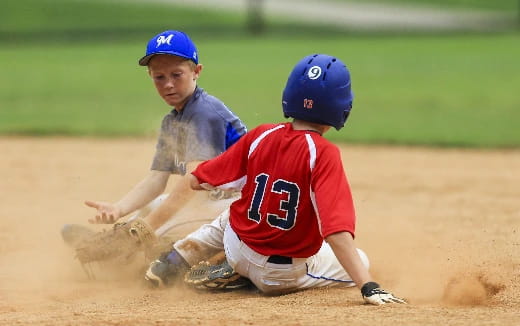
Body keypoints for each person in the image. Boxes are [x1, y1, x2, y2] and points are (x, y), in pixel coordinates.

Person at [144, 54, 406, 305]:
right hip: (278, 276)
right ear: (341, 106)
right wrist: (368, 285)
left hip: (237, 249)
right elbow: (336, 233)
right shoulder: (324, 154)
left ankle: (175, 259)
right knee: (361, 260)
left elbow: (197, 181)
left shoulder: (262, 135)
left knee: (230, 216)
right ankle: (245, 279)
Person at [62, 30, 247, 267]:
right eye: (159, 77)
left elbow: (193, 180)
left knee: (162, 226)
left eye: (176, 75)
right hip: (215, 200)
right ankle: (122, 255)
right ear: (150, 75)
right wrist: (119, 209)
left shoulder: (204, 113)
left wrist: (144, 228)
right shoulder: (173, 121)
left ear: (196, 72)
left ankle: (138, 260)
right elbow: (156, 180)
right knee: (155, 205)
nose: (168, 84)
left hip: (243, 205)